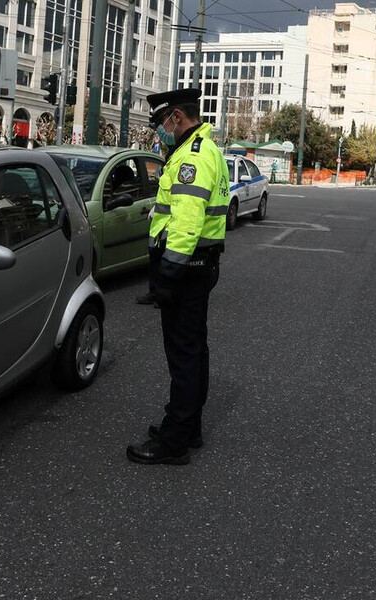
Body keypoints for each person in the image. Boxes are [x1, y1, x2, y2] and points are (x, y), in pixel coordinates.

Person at [126, 88, 229, 465]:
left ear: (177, 117)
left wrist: (167, 274)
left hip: (186, 267)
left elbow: (186, 223)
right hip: (199, 265)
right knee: (194, 350)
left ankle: (174, 443)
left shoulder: (192, 158)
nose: (159, 130)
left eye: (160, 122)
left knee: (183, 355)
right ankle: (189, 427)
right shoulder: (204, 149)